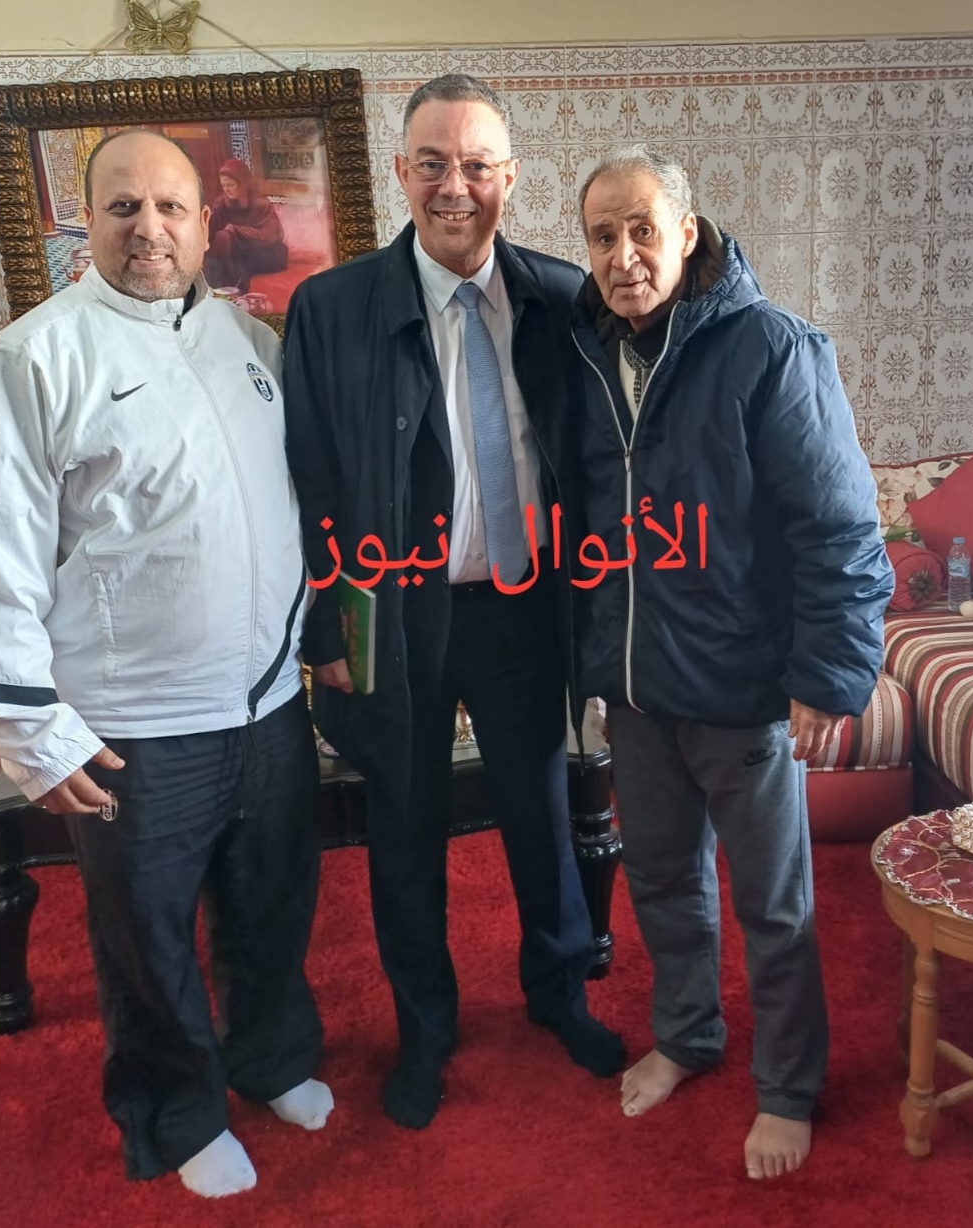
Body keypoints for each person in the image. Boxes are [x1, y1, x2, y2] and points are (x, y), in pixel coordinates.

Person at [0, 130, 332, 1199]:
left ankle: (271, 1057)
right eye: (124, 208)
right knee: (146, 939)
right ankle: (177, 1112)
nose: (149, 229)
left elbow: (283, 511)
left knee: (272, 903)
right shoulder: (32, 359)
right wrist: (30, 730)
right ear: (89, 223)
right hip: (133, 725)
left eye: (170, 208)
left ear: (206, 224)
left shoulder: (246, 343)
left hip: (267, 703)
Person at [283, 73, 624, 1130]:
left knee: (542, 815)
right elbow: (311, 479)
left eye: (476, 165)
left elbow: (597, 461)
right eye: (432, 163)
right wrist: (327, 628)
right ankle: (424, 1032)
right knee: (406, 829)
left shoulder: (564, 298)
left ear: (510, 178)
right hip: (395, 614)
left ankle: (559, 993)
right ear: (401, 172)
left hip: (524, 606)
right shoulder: (332, 310)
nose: (454, 187)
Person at [571, 146, 893, 1180]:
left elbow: (840, 526)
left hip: (743, 691)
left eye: (642, 230)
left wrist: (827, 675)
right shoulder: (586, 356)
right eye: (603, 237)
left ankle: (788, 1088)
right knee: (663, 881)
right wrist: (593, 667)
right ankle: (688, 1036)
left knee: (774, 904)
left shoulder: (771, 347)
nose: (624, 255)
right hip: (638, 694)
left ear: (687, 232)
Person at [205, 157, 288, 293]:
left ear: (243, 184)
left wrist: (236, 230)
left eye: (231, 185)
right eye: (224, 186)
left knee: (233, 247)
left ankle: (233, 288)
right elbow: (210, 232)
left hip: (266, 251)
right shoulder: (222, 203)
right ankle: (221, 287)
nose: (227, 190)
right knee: (221, 238)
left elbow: (270, 236)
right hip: (237, 251)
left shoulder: (260, 204)